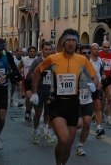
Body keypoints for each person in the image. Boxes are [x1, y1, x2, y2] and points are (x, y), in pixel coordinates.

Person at [30, 29, 98, 165]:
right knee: (64, 139)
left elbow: (94, 76)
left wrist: (93, 85)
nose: (71, 43)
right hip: (57, 103)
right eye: (68, 40)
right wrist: (34, 92)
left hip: (74, 104)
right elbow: (37, 72)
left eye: (74, 41)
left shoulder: (82, 60)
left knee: (68, 145)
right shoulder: (53, 58)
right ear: (63, 42)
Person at [27, 41, 56, 144]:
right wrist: (40, 73)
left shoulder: (54, 60)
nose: (48, 52)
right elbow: (29, 76)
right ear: (42, 50)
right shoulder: (37, 61)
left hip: (50, 89)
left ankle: (47, 130)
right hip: (39, 89)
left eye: (49, 49)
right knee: (38, 112)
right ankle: (35, 130)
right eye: (46, 50)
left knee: (49, 111)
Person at [76, 44, 96, 156]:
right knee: (78, 124)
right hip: (75, 99)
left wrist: (94, 84)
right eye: (84, 53)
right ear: (79, 53)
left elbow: (96, 77)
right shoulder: (75, 64)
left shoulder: (92, 65)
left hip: (87, 98)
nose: (87, 55)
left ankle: (80, 146)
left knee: (87, 124)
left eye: (89, 53)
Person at [98, 41, 111, 126]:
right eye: (105, 47)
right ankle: (101, 114)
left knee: (110, 98)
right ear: (102, 47)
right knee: (102, 100)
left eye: (108, 47)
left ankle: (109, 117)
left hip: (109, 78)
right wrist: (100, 75)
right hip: (101, 79)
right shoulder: (98, 55)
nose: (107, 49)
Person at [89, 43, 105, 137]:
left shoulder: (100, 61)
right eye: (94, 49)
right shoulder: (87, 60)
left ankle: (99, 127)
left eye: (97, 49)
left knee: (98, 105)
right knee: (89, 107)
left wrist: (102, 76)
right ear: (91, 50)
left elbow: (101, 72)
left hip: (98, 86)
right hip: (88, 86)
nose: (96, 51)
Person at [18, 46, 38, 122]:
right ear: (28, 52)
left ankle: (30, 110)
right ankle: (28, 111)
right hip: (27, 81)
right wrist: (20, 72)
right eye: (31, 51)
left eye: (34, 51)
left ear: (36, 52)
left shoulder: (38, 60)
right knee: (29, 96)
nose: (32, 53)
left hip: (36, 81)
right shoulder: (24, 59)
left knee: (34, 97)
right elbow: (19, 67)